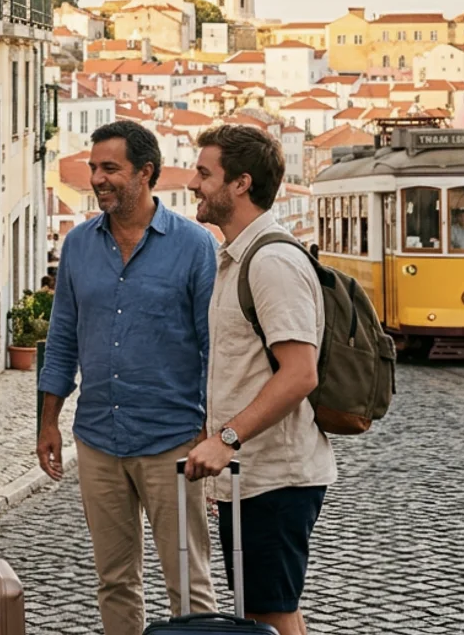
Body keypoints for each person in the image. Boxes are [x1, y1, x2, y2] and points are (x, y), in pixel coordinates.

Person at [37, 121, 218, 635]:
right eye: (94, 168)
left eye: (110, 168)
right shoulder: (77, 246)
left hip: (173, 442)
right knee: (114, 581)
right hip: (97, 438)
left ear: (146, 173)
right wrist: (48, 423)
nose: (97, 178)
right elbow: (62, 339)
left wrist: (211, 432)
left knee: (189, 583)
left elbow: (214, 348)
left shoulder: (194, 246)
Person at [183, 125, 334, 635]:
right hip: (253, 476)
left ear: (241, 183)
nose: (193, 184)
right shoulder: (238, 258)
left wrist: (226, 439)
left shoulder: (271, 262)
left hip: (276, 476)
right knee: (267, 611)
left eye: (205, 173)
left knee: (268, 612)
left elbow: (299, 373)